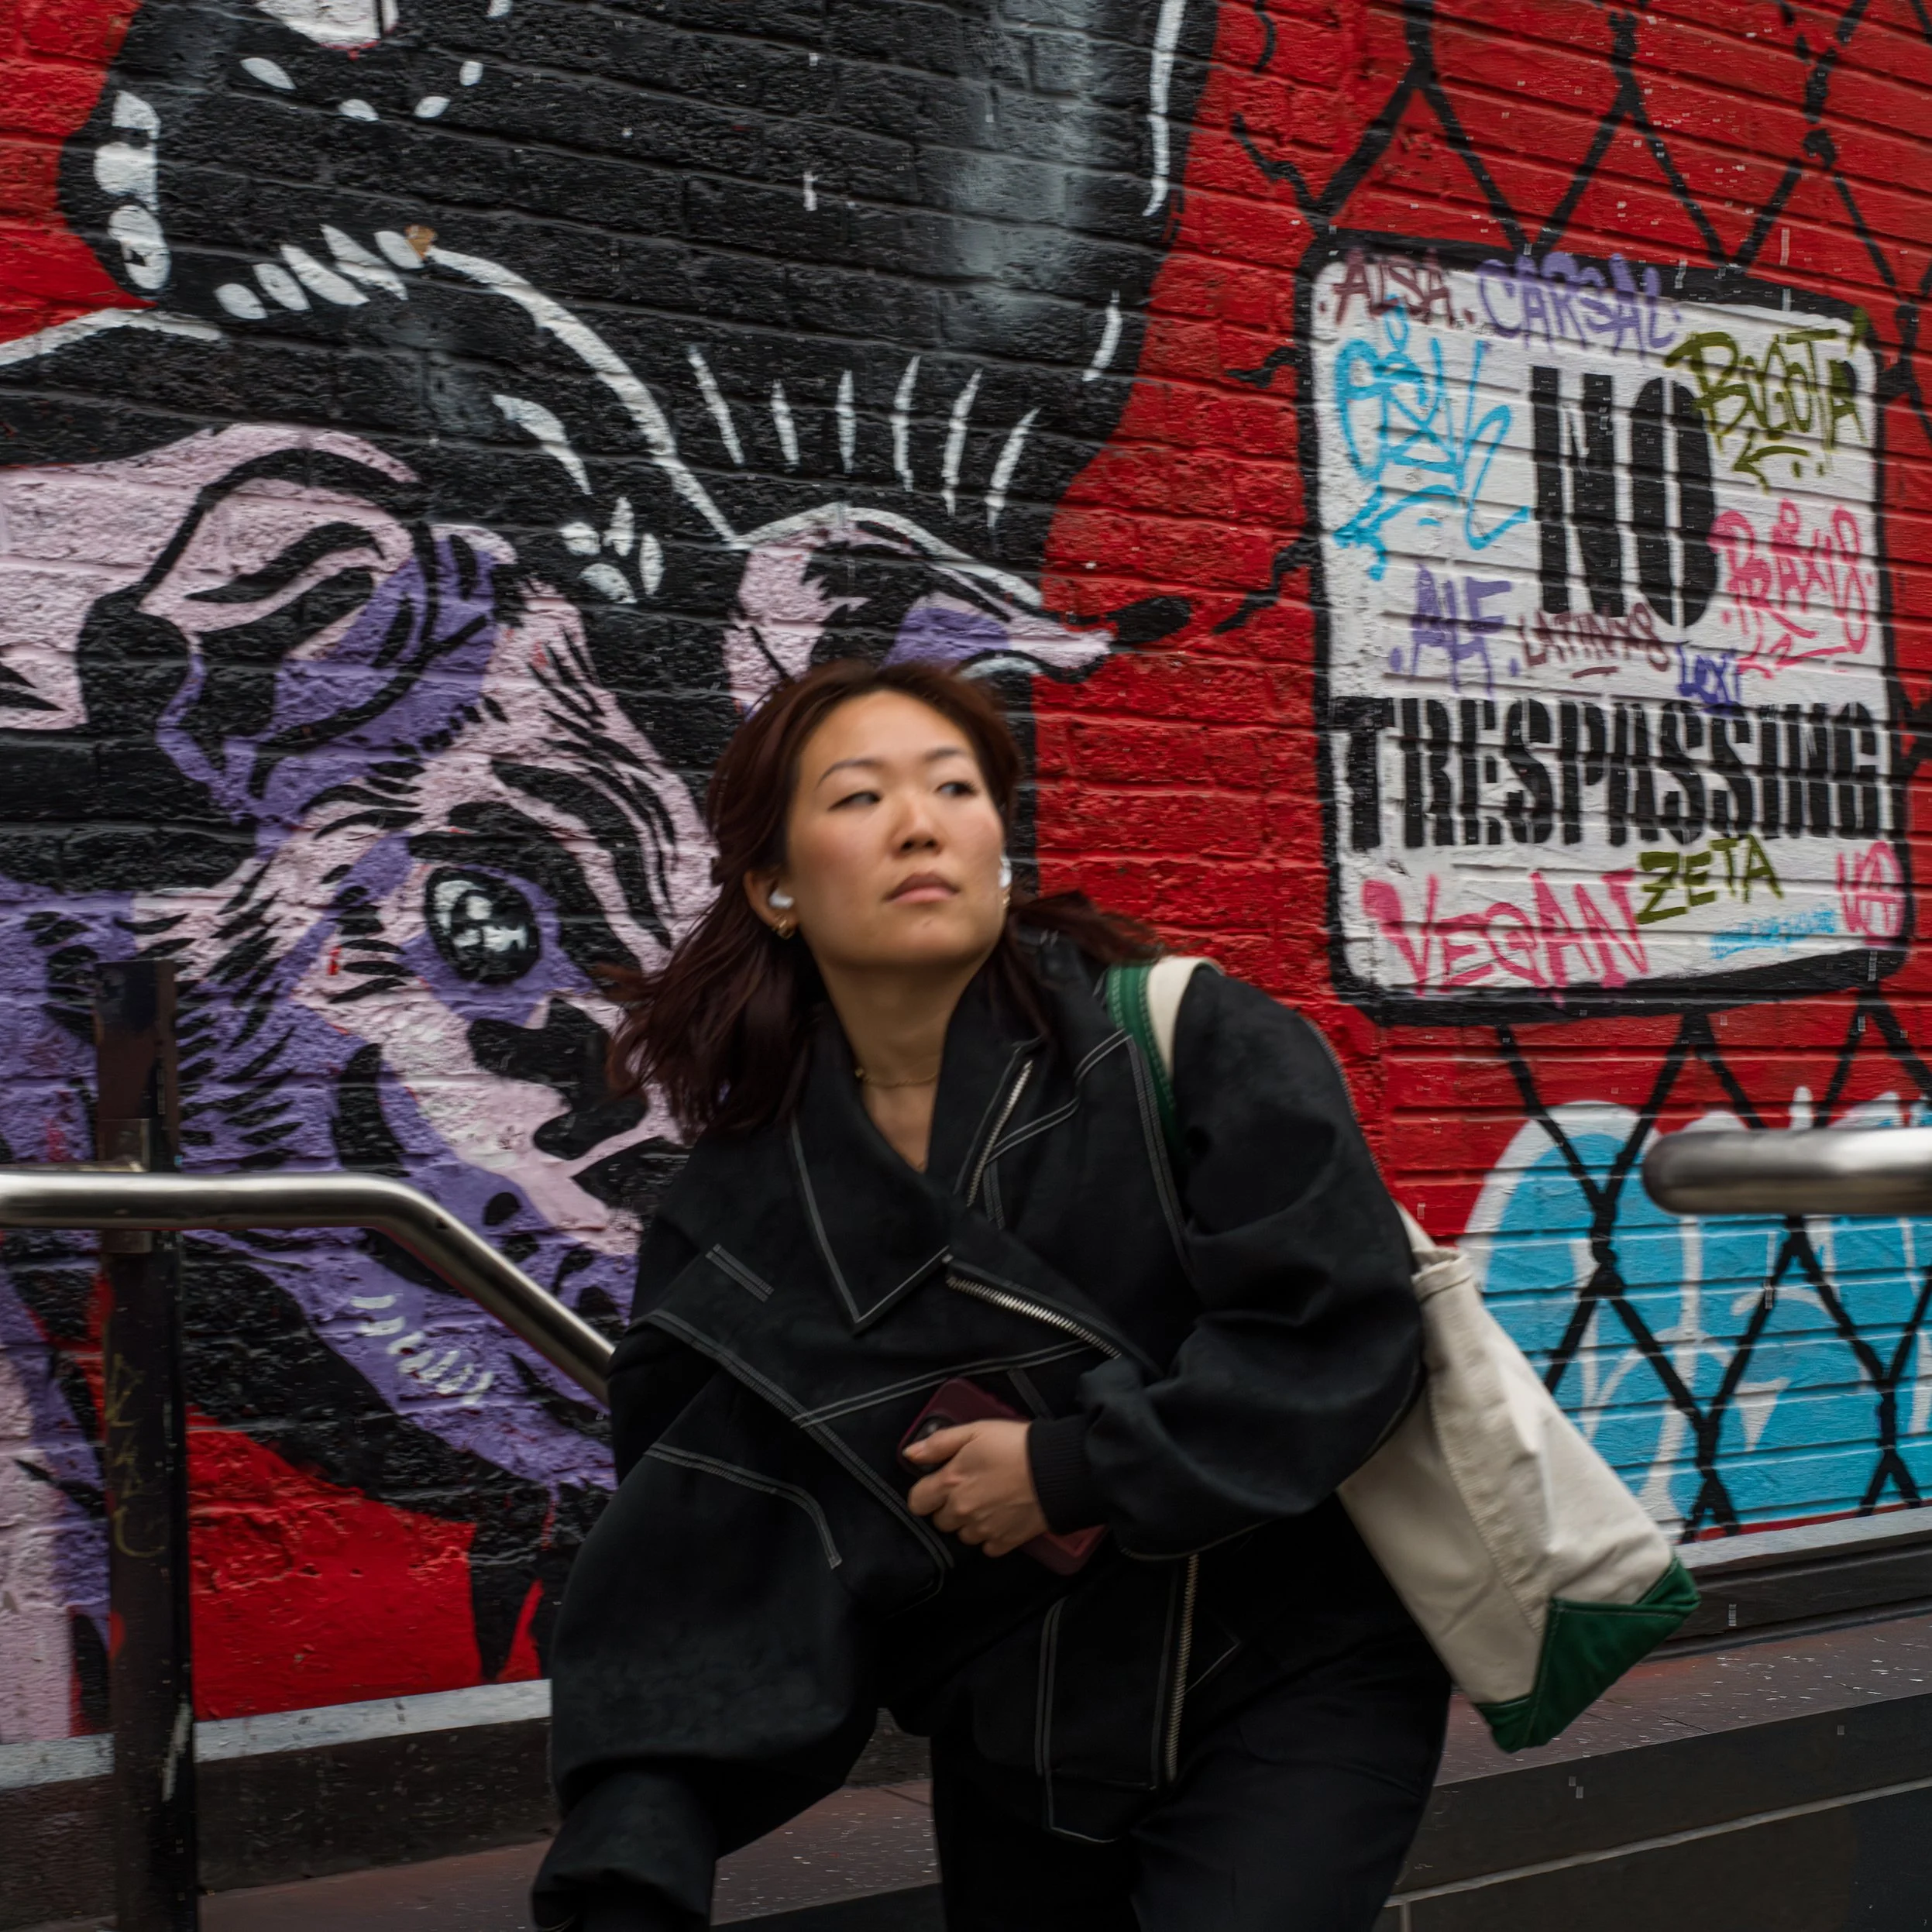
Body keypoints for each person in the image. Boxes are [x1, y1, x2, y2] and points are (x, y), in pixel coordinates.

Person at [537, 661, 1449, 1931]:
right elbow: (709, 1541)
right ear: (775, 888)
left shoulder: (1190, 1045)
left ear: (1001, 850)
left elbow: (1342, 1338)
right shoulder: (738, 1217)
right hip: (1019, 1725)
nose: (921, 822)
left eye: (955, 787)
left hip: (1287, 1668)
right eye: (860, 797)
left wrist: (1073, 1468)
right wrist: (633, 1848)